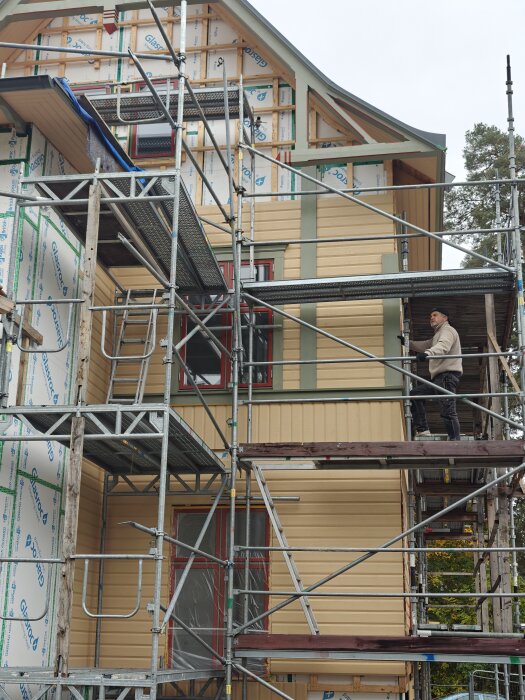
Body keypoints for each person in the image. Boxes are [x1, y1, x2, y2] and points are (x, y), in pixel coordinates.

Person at [407, 307, 462, 440]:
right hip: (439, 378)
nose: (431, 317)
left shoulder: (447, 330)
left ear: (445, 318)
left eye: (435, 315)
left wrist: (428, 354)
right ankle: (423, 429)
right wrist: (407, 343)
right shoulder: (437, 334)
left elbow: (443, 346)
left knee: (447, 409)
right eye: (430, 315)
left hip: (447, 376)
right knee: (415, 394)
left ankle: (455, 440)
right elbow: (426, 344)